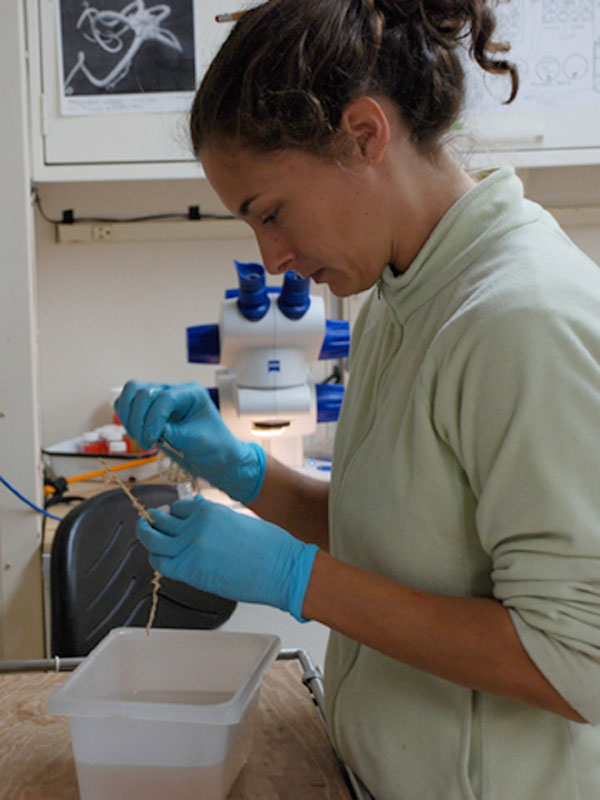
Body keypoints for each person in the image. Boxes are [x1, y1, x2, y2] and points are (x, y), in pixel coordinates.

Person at [115, 1, 600, 798]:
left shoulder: (526, 319)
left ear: (364, 135)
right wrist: (247, 473)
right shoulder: (399, 301)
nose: (270, 258)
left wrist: (297, 579)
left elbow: (576, 663)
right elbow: (398, 541)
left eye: (271, 214)